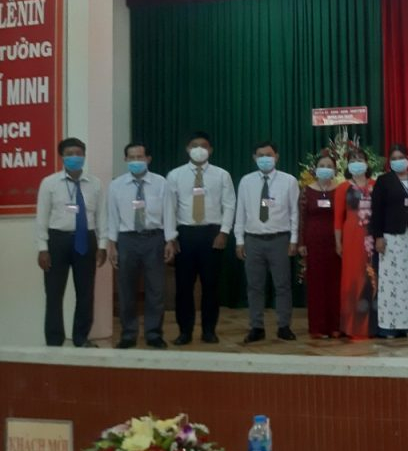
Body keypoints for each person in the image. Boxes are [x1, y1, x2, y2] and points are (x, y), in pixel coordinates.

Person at [164, 131, 236, 345]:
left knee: (211, 286)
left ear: (210, 150)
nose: (199, 149)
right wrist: (171, 237)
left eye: (204, 145)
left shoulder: (222, 175)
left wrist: (224, 232)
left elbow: (229, 204)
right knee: (183, 287)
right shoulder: (175, 175)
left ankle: (209, 331)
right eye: (194, 145)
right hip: (185, 235)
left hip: (212, 234)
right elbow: (169, 208)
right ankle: (184, 332)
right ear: (187, 149)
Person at [35, 137, 108, 347]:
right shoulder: (49, 183)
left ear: (84, 156)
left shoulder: (95, 184)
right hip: (57, 241)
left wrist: (102, 245)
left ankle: (81, 338)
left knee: (85, 292)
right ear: (62, 157)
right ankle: (54, 340)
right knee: (54, 293)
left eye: (78, 153)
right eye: (69, 154)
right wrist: (42, 248)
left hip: (86, 239)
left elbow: (102, 217)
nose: (74, 157)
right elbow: (41, 218)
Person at [235, 141, 300, 343]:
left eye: (269, 155)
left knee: (282, 285)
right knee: (254, 286)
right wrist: (239, 240)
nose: (265, 159)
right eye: (261, 155)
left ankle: (284, 326)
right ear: (254, 158)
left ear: (276, 157)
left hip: (280, 239)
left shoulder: (289, 181)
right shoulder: (246, 181)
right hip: (253, 240)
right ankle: (257, 327)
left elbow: (295, 212)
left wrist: (294, 239)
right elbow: (240, 212)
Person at [107, 142, 168, 349]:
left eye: (140, 157)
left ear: (148, 159)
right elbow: (112, 216)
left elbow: (168, 212)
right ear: (125, 160)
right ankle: (128, 334)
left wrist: (170, 239)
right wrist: (112, 243)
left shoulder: (161, 182)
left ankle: (154, 334)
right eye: (131, 157)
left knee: (156, 290)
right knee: (126, 290)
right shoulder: (116, 185)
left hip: (154, 238)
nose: (136, 161)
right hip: (127, 239)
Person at [370, 144, 408, 338]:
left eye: (401, 157)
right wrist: (378, 236)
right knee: (391, 282)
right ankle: (390, 326)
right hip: (390, 238)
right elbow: (376, 211)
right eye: (393, 158)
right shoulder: (383, 181)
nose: (397, 161)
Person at [334, 147, 377, 340]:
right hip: (351, 237)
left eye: (360, 159)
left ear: (367, 163)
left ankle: (372, 325)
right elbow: (337, 219)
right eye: (353, 160)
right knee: (352, 277)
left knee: (371, 277)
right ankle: (352, 325)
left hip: (372, 237)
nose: (357, 163)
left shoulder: (376, 184)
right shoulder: (343, 188)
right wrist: (338, 242)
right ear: (348, 165)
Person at [297, 153, 341, 339]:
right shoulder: (306, 190)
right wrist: (301, 242)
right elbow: (301, 218)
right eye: (322, 165)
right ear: (315, 169)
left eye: (329, 166)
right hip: (313, 243)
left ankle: (335, 326)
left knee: (334, 284)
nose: (325, 168)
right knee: (316, 285)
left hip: (335, 243)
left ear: (335, 170)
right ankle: (317, 327)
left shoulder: (340, 190)